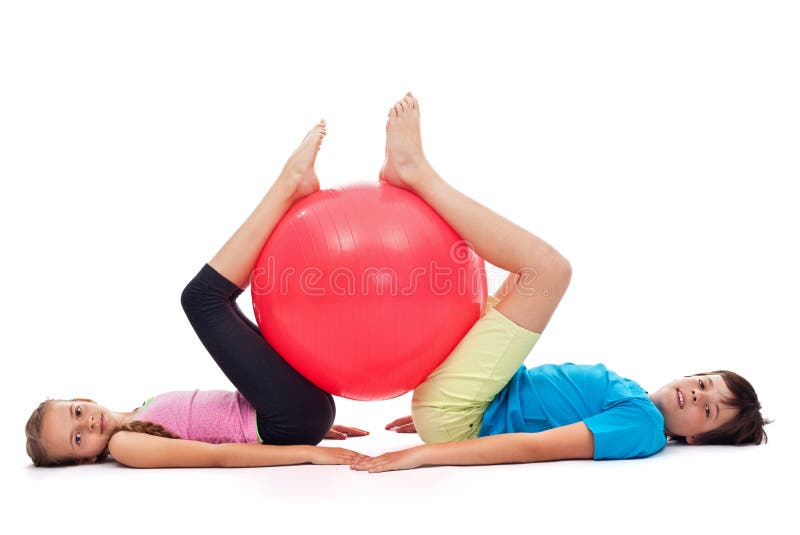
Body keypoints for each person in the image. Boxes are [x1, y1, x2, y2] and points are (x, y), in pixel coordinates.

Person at [350, 92, 770, 473]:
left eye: (710, 410)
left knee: (549, 271)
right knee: (526, 276)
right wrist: (452, 396)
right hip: (467, 406)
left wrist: (432, 448)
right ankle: (414, 173)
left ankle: (417, 174)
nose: (697, 395)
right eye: (702, 384)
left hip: (462, 419)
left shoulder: (642, 426)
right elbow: (532, 405)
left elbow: (536, 447)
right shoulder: (636, 396)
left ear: (696, 440)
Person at [25, 119, 371, 468]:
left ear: (82, 398)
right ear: (82, 459)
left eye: (77, 412)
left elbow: (228, 419)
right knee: (200, 299)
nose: (87, 423)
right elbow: (216, 455)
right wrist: (306, 450)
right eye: (78, 438)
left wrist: (313, 426)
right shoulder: (125, 445)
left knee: (205, 299)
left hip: (291, 416)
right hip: (287, 423)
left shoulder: (140, 411)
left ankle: (290, 187)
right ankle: (288, 186)